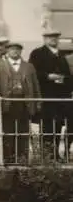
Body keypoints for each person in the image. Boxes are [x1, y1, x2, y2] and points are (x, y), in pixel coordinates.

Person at [0, 42, 42, 163]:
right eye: (12, 49)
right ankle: (8, 158)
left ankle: (22, 158)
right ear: (7, 51)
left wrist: (38, 101)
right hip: (7, 104)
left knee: (23, 132)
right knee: (8, 132)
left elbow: (36, 85)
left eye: (18, 49)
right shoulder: (0, 65)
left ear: (21, 52)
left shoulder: (29, 67)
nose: (15, 51)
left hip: (24, 103)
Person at [28, 29, 71, 159]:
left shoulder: (61, 56)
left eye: (56, 37)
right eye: (50, 37)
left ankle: (57, 154)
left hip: (60, 97)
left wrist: (64, 80)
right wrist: (47, 76)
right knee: (47, 126)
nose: (53, 39)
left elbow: (68, 75)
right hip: (46, 96)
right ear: (44, 39)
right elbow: (32, 73)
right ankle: (47, 155)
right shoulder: (37, 54)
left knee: (58, 127)